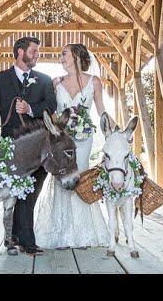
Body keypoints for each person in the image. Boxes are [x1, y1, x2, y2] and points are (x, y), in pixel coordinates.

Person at [0, 36, 56, 256]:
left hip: (38, 151)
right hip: (8, 148)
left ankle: (22, 238)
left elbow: (51, 107)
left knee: (29, 194)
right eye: (33, 51)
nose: (37, 54)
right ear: (20, 53)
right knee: (14, 194)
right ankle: (19, 238)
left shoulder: (44, 80)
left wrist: (30, 108)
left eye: (37, 51)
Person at [34, 43, 111, 249]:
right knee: (61, 177)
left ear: (77, 56)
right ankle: (61, 234)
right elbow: (50, 112)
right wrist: (54, 127)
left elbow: (101, 109)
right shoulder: (55, 83)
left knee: (79, 177)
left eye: (64, 54)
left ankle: (82, 233)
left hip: (84, 139)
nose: (61, 57)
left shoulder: (94, 82)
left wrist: (113, 133)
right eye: (61, 55)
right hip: (62, 140)